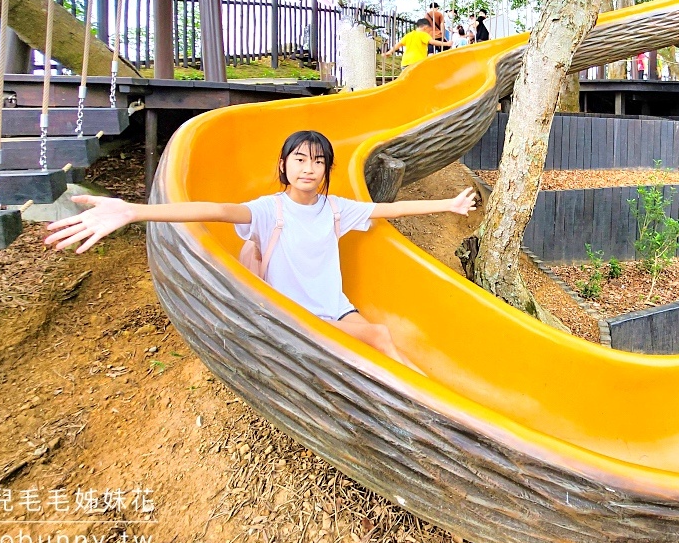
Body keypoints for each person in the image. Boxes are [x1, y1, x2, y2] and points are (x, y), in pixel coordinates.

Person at [42, 130, 477, 373]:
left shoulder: (336, 209)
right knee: (371, 346)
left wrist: (449, 204)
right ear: (284, 165)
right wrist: (135, 211)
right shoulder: (268, 210)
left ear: (327, 169)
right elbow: (213, 209)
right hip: (289, 314)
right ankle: (422, 395)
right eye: (300, 160)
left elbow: (392, 208)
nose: (309, 168)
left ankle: (426, 394)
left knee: (381, 337)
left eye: (318, 161)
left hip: (334, 309)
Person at [384, 18, 448, 74]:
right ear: (425, 28)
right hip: (417, 62)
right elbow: (432, 42)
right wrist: (446, 44)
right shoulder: (423, 34)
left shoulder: (408, 35)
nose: (429, 32)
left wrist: (390, 51)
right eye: (429, 30)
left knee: (408, 81)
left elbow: (398, 44)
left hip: (405, 63)